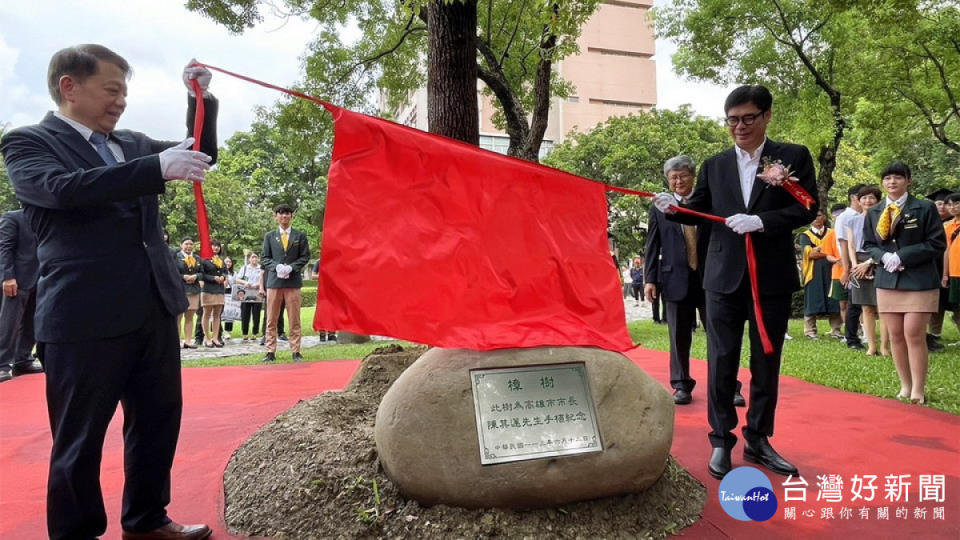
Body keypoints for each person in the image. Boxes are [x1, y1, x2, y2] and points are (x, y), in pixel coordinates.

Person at [0, 45, 216, 539]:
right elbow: (63, 189)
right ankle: (76, 532)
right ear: (69, 86)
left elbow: (198, 152)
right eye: (111, 90)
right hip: (82, 317)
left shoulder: (133, 143)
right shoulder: (29, 143)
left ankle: (146, 519)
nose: (120, 102)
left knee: (157, 423)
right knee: (79, 440)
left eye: (125, 92)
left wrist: (200, 99)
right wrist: (154, 168)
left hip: (153, 306)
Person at [654, 85, 817, 479]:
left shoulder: (791, 157)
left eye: (748, 118)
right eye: (732, 120)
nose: (739, 127)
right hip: (722, 277)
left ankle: (759, 439)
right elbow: (698, 209)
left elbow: (807, 206)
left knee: (766, 361)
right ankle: (721, 441)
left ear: (766, 117)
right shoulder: (715, 164)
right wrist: (673, 210)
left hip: (770, 277)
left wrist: (763, 221)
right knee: (721, 360)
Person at [645, 156, 746, 407]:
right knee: (678, 335)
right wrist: (650, 279)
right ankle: (681, 385)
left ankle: (728, 386)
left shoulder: (709, 202)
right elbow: (652, 244)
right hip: (674, 278)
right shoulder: (660, 206)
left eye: (683, 176)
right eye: (673, 178)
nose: (678, 181)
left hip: (712, 276)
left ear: (693, 177)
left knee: (720, 334)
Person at [862, 162, 946, 405]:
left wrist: (903, 256)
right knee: (896, 334)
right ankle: (905, 385)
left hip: (919, 279)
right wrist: (883, 256)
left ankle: (919, 388)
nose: (892, 182)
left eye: (898, 177)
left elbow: (936, 243)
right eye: (887, 178)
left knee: (913, 333)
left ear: (909, 180)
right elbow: (868, 245)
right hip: (888, 280)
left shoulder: (925, 208)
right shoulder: (876, 211)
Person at [261, 204, 310, 362]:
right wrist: (276, 266)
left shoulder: (299, 236)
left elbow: (305, 256)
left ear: (291, 216)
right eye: (281, 214)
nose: (284, 217)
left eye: (287, 214)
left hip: (293, 282)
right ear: (276, 216)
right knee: (271, 318)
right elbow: (265, 258)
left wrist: (291, 267)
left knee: (294, 318)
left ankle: (296, 350)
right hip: (274, 282)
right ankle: (270, 351)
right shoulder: (269, 236)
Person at [0, 209, 44, 382]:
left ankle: (23, 360)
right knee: (9, 322)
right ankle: (2, 364)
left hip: (41, 278)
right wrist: (7, 276)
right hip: (16, 279)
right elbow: (4, 248)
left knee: (32, 322)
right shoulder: (13, 218)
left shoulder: (45, 218)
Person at [849, 186, 888, 356]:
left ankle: (885, 346)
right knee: (866, 307)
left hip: (880, 261)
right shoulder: (852, 221)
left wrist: (871, 262)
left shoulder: (885, 217)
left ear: (878, 200)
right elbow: (850, 245)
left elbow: (885, 244)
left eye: (871, 198)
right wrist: (854, 265)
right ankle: (872, 346)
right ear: (858, 200)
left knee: (884, 307)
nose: (867, 201)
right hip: (859, 263)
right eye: (864, 198)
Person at [798, 209, 842, 339]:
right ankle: (810, 331)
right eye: (813, 216)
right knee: (812, 300)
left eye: (819, 215)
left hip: (832, 270)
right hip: (813, 272)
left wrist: (819, 249)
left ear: (824, 217)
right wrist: (828, 251)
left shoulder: (832, 233)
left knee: (834, 299)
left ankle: (836, 330)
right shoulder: (805, 235)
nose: (816, 218)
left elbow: (837, 250)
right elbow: (810, 254)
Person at [835, 185, 867, 349]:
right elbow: (843, 244)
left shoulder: (868, 215)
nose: (868, 200)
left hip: (869, 261)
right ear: (855, 197)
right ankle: (852, 338)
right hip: (854, 261)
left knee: (867, 303)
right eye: (864, 196)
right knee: (854, 302)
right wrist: (847, 269)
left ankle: (866, 334)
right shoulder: (845, 217)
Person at [927, 187, 955, 351]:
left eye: (947, 204)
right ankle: (934, 333)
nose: (943, 207)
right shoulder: (929, 222)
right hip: (933, 268)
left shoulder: (955, 224)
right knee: (935, 303)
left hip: (953, 269)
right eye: (939, 203)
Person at [940, 192, 960, 343]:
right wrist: (945, 275)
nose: (952, 207)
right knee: (956, 306)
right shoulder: (947, 226)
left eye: (956, 203)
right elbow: (946, 250)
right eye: (950, 204)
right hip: (954, 272)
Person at [200, 240, 227, 348]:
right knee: (207, 313)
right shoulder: (204, 260)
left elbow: (225, 271)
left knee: (217, 314)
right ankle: (207, 338)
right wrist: (213, 278)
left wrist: (223, 277)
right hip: (208, 289)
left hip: (219, 289)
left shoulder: (221, 260)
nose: (216, 248)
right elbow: (201, 274)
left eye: (217, 246)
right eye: (213, 246)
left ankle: (215, 338)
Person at [176, 238, 202, 349]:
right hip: (180, 289)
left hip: (194, 289)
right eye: (186, 244)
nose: (189, 246)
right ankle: (177, 341)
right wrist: (183, 277)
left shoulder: (197, 258)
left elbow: (202, 272)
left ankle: (188, 340)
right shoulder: (176, 257)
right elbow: (172, 271)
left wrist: (196, 276)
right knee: (179, 316)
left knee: (190, 316)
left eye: (191, 244)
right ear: (181, 245)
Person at [236, 252, 264, 341]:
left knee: (256, 314)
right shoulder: (244, 268)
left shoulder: (261, 269)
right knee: (245, 314)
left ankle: (255, 333)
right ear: (249, 259)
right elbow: (237, 279)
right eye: (252, 257)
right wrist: (245, 283)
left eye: (256, 257)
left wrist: (259, 285)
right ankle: (245, 333)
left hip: (257, 293)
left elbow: (265, 279)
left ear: (258, 258)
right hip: (246, 293)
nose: (254, 259)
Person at [221, 256, 235, 339]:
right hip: (221, 291)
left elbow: (235, 282)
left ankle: (228, 331)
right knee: (219, 311)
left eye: (229, 262)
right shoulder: (220, 271)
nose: (228, 263)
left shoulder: (234, 273)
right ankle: (218, 330)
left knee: (229, 311)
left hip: (230, 292)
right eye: (226, 262)